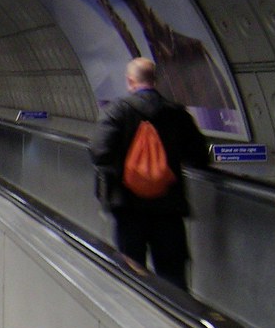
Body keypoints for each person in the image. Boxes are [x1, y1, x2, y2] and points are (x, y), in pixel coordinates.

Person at [88, 57, 211, 290]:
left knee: (131, 268)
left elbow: (99, 152)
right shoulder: (178, 114)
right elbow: (199, 155)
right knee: (172, 270)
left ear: (130, 81)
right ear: (155, 80)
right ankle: (179, 319)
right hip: (168, 206)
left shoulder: (116, 111)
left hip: (128, 206)